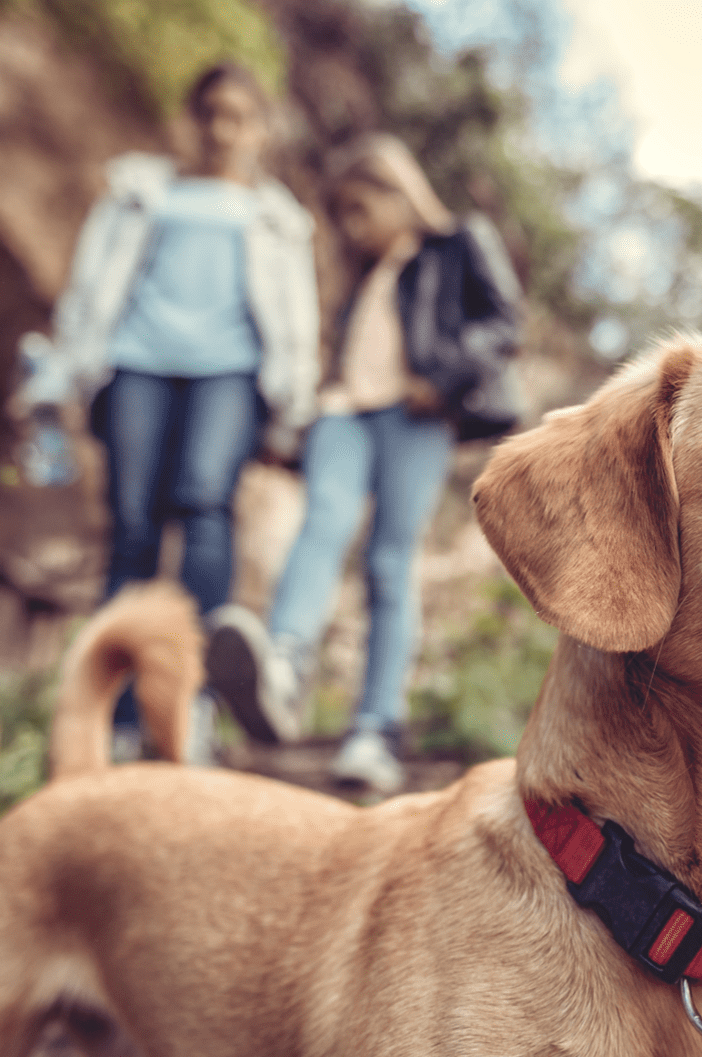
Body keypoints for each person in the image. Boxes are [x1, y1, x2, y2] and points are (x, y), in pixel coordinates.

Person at [13, 62, 320, 765]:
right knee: (132, 527)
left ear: (261, 130)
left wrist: (293, 404)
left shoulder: (278, 218)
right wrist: (65, 371)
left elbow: (297, 318)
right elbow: (90, 286)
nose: (222, 130)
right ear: (192, 118)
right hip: (136, 364)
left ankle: (192, 707)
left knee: (206, 507)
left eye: (239, 117)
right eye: (211, 113)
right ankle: (116, 716)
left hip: (231, 374)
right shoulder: (139, 192)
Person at [205, 133, 523, 793]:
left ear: (397, 191)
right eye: (343, 215)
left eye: (360, 209)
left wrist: (444, 378)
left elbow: (503, 322)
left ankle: (376, 729)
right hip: (344, 412)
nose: (352, 228)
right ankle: (283, 670)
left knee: (389, 561)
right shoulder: (364, 278)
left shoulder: (458, 243)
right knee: (322, 523)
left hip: (415, 415)